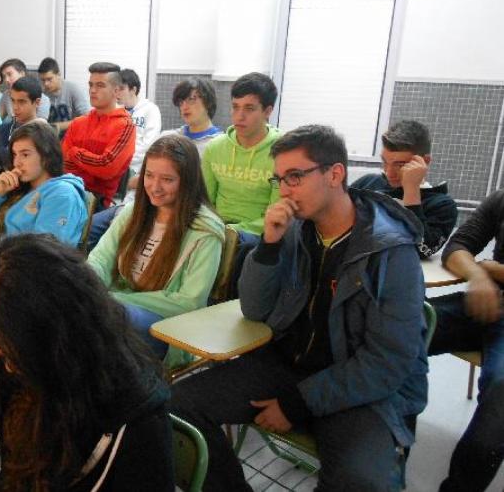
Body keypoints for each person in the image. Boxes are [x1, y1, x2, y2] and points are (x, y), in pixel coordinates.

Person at [171, 124, 428, 491]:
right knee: (175, 408)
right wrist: (269, 245)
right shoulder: (295, 228)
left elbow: (388, 362)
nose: (285, 190)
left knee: (360, 483)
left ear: (335, 174)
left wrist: (295, 404)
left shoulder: (391, 251)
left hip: (357, 387)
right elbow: (256, 310)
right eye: (279, 180)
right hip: (286, 364)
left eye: (295, 176)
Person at [0, 233, 174, 491]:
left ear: (59, 340)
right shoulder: (12, 364)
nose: (9, 365)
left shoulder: (136, 418)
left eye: (16, 352)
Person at [88, 135, 224, 357]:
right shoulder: (133, 213)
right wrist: (89, 289)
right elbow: (100, 259)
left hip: (169, 327)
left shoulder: (205, 231)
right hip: (115, 305)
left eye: (167, 179)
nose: (155, 187)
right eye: (149, 175)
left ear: (187, 181)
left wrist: (112, 300)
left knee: (104, 319)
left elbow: (188, 302)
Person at [84, 77, 223, 252]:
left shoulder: (217, 144)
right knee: (83, 231)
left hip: (167, 211)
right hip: (133, 204)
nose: (184, 106)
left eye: (192, 99)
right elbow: (142, 175)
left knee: (116, 246)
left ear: (208, 101)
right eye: (181, 101)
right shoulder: (168, 136)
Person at [429, 190, 504, 491]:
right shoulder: (500, 200)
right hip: (487, 300)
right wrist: (477, 274)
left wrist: (495, 269)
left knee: (502, 389)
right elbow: (457, 247)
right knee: (404, 322)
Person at [351, 120, 457, 259]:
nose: (389, 173)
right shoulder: (369, 183)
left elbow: (422, 251)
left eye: (399, 165)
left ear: (424, 162)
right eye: (385, 162)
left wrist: (411, 189)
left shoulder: (442, 205)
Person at [0, 121, 88, 246]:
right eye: (15, 155)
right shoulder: (23, 187)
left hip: (20, 262)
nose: (17, 163)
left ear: (47, 156)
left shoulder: (62, 194)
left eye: (25, 155)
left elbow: (43, 251)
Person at [201, 72, 281, 239]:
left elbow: (278, 212)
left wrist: (233, 231)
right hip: (216, 228)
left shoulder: (283, 153)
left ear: (268, 111)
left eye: (249, 108)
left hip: (258, 233)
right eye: (235, 107)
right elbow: (204, 201)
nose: (239, 116)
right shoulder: (214, 148)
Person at [62, 62, 135, 209]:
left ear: (116, 91)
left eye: (100, 85)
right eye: (90, 85)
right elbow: (63, 163)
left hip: (95, 201)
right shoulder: (78, 123)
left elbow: (107, 167)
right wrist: (92, 165)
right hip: (66, 190)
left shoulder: (125, 126)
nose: (92, 90)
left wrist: (76, 153)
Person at [117, 68, 161, 181]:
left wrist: (124, 158)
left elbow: (150, 144)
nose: (117, 93)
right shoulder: (116, 112)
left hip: (140, 168)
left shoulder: (150, 110)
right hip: (117, 166)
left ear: (133, 90)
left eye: (121, 89)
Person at [0, 76, 48, 165]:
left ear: (37, 102)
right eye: (13, 101)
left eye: (21, 102)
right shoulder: (3, 129)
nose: (15, 107)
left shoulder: (44, 134)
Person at [38, 56, 90, 136]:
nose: (46, 84)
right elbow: (40, 120)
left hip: (73, 136)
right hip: (51, 138)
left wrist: (59, 126)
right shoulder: (42, 94)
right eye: (43, 80)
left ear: (59, 75)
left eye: (49, 79)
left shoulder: (74, 89)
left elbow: (87, 118)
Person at [0, 58, 51, 122]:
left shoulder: (42, 98)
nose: (6, 79)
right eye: (4, 76)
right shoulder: (6, 95)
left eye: (9, 74)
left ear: (22, 74)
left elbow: (41, 125)